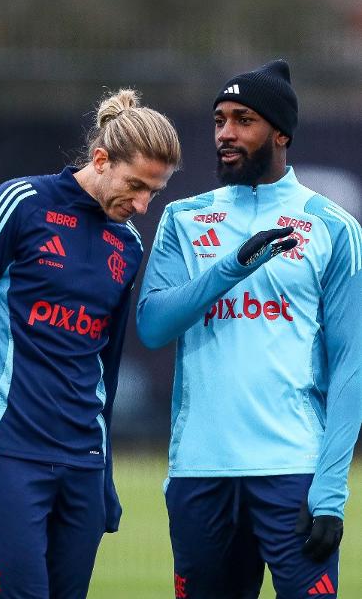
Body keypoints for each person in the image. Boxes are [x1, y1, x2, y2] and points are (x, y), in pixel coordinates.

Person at [0, 88, 182, 599]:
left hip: (83, 462)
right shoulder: (21, 205)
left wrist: (103, 473)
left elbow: (107, 364)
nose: (144, 205)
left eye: (155, 191)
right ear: (101, 160)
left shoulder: (127, 244)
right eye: (136, 186)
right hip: (7, 450)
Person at [137, 60, 362, 599]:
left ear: (281, 132)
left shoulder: (333, 226)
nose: (226, 134)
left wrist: (330, 491)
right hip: (199, 472)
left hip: (293, 472)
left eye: (244, 119)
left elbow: (351, 362)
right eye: (219, 120)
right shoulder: (183, 219)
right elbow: (151, 326)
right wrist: (230, 267)